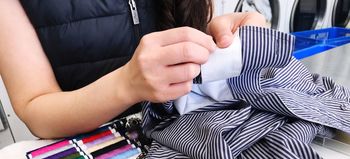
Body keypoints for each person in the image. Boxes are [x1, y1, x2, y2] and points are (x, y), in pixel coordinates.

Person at [0, 0, 265, 139]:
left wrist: (224, 40)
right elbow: (35, 109)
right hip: (91, 157)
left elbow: (192, 31)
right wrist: (127, 84)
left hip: (186, 136)